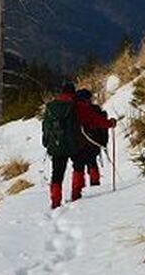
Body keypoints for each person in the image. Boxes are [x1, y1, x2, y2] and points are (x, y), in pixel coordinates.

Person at [42, 81, 116, 209]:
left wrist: (47, 142)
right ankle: (76, 194)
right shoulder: (77, 106)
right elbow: (94, 120)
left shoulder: (50, 107)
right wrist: (110, 123)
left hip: (56, 145)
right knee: (78, 167)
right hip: (75, 144)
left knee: (57, 174)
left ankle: (55, 202)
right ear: (73, 92)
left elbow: (45, 127)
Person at [75, 88, 109, 186]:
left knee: (78, 166)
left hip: (77, 142)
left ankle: (77, 189)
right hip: (93, 140)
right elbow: (101, 123)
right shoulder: (95, 109)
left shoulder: (72, 110)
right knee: (92, 162)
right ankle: (95, 183)